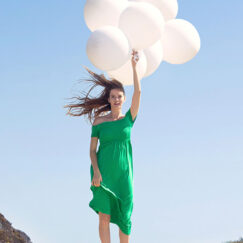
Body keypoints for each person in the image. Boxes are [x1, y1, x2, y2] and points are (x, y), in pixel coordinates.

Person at [64, 50, 141, 243]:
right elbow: (91, 150)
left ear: (124, 98)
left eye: (120, 96)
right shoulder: (98, 122)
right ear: (108, 99)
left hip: (124, 175)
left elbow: (138, 92)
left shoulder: (128, 119)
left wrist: (134, 67)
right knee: (103, 216)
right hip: (103, 172)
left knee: (125, 217)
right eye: (113, 96)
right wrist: (96, 172)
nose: (116, 99)